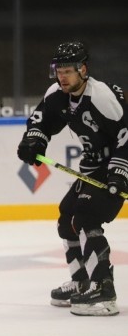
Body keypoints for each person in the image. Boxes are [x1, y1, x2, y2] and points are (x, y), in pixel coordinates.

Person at [16, 41, 127, 316]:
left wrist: (120, 172)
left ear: (83, 70)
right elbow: (40, 120)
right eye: (59, 71)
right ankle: (82, 282)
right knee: (67, 217)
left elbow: (126, 136)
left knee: (86, 216)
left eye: (68, 71)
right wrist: (33, 140)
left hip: (116, 165)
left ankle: (104, 289)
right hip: (92, 166)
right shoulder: (57, 93)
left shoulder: (101, 97)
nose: (62, 77)